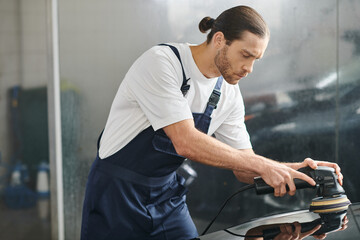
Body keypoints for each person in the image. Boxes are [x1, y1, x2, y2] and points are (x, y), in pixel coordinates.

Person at [81, 5, 343, 240]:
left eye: (255, 60)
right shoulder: (163, 63)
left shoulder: (227, 93)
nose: (249, 68)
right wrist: (263, 165)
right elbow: (185, 142)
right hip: (116, 195)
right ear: (219, 40)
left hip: (166, 198)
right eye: (245, 55)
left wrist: (293, 171)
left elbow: (243, 167)